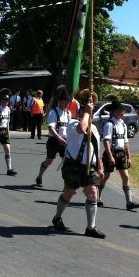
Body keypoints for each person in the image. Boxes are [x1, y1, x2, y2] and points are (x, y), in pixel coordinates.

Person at [51, 89, 105, 239]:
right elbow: (81, 129)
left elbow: (96, 149)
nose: (89, 111)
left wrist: (100, 167)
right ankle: (57, 217)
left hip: (89, 167)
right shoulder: (72, 123)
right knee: (69, 193)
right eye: (86, 109)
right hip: (73, 165)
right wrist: (87, 112)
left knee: (93, 192)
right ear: (81, 110)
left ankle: (90, 227)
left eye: (91, 109)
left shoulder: (94, 128)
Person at [98, 100, 139, 210]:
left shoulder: (123, 124)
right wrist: (110, 156)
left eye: (123, 110)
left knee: (125, 176)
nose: (122, 112)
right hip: (111, 152)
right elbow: (106, 141)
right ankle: (97, 196)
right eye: (120, 110)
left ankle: (129, 202)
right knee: (106, 176)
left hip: (121, 153)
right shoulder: (109, 124)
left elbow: (126, 142)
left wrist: (128, 156)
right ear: (113, 111)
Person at [35, 86, 70, 187]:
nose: (66, 103)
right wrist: (59, 138)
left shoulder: (68, 113)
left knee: (67, 163)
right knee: (49, 160)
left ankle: (66, 184)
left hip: (65, 141)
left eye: (67, 101)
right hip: (54, 140)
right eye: (64, 101)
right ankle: (39, 176)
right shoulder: (53, 112)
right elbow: (50, 128)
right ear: (60, 101)